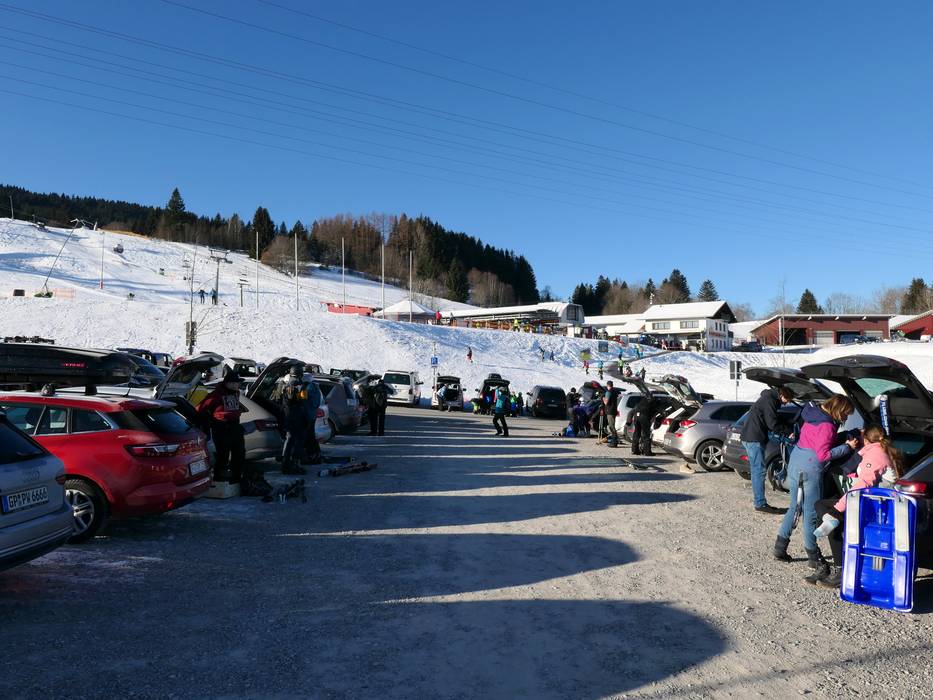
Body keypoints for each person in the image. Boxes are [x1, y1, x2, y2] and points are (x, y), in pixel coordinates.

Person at [773, 396, 856, 584]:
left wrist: (843, 436)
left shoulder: (813, 415)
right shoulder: (827, 425)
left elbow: (816, 441)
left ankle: (780, 547)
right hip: (810, 469)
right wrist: (847, 447)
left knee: (794, 507)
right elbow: (823, 455)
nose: (845, 418)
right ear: (839, 409)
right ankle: (814, 558)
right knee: (811, 513)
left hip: (796, 463)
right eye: (845, 414)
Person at [811, 425, 902, 588]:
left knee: (829, 513)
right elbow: (866, 475)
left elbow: (863, 484)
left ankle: (841, 570)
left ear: (866, 440)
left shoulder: (876, 454)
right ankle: (832, 524)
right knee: (828, 513)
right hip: (874, 502)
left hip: (875, 507)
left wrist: (838, 509)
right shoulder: (881, 451)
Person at [741, 386, 795, 514]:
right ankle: (760, 503)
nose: (786, 403)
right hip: (754, 438)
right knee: (758, 471)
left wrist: (785, 424)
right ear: (782, 395)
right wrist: (788, 431)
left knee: (756, 470)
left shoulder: (768, 398)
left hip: (750, 436)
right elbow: (772, 423)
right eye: (787, 400)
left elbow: (771, 418)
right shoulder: (770, 400)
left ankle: (759, 502)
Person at [280, 366, 309, 475]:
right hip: (297, 418)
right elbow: (303, 401)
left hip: (288, 417)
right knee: (297, 442)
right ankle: (294, 464)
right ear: (300, 375)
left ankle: (286, 464)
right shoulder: (300, 386)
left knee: (289, 441)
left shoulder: (285, 386)